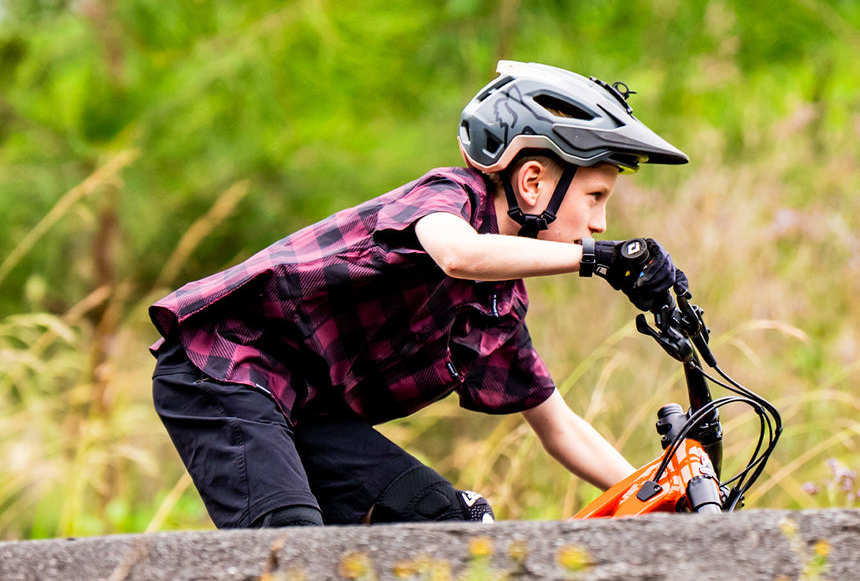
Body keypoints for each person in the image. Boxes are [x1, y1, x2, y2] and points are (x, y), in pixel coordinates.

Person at [149, 60, 688, 529]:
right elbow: (459, 255)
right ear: (531, 182)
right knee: (290, 544)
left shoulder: (495, 309)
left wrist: (665, 502)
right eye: (595, 197)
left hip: (307, 410)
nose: (600, 223)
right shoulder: (448, 199)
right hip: (223, 365)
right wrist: (604, 260)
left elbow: (562, 429)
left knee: (442, 523)